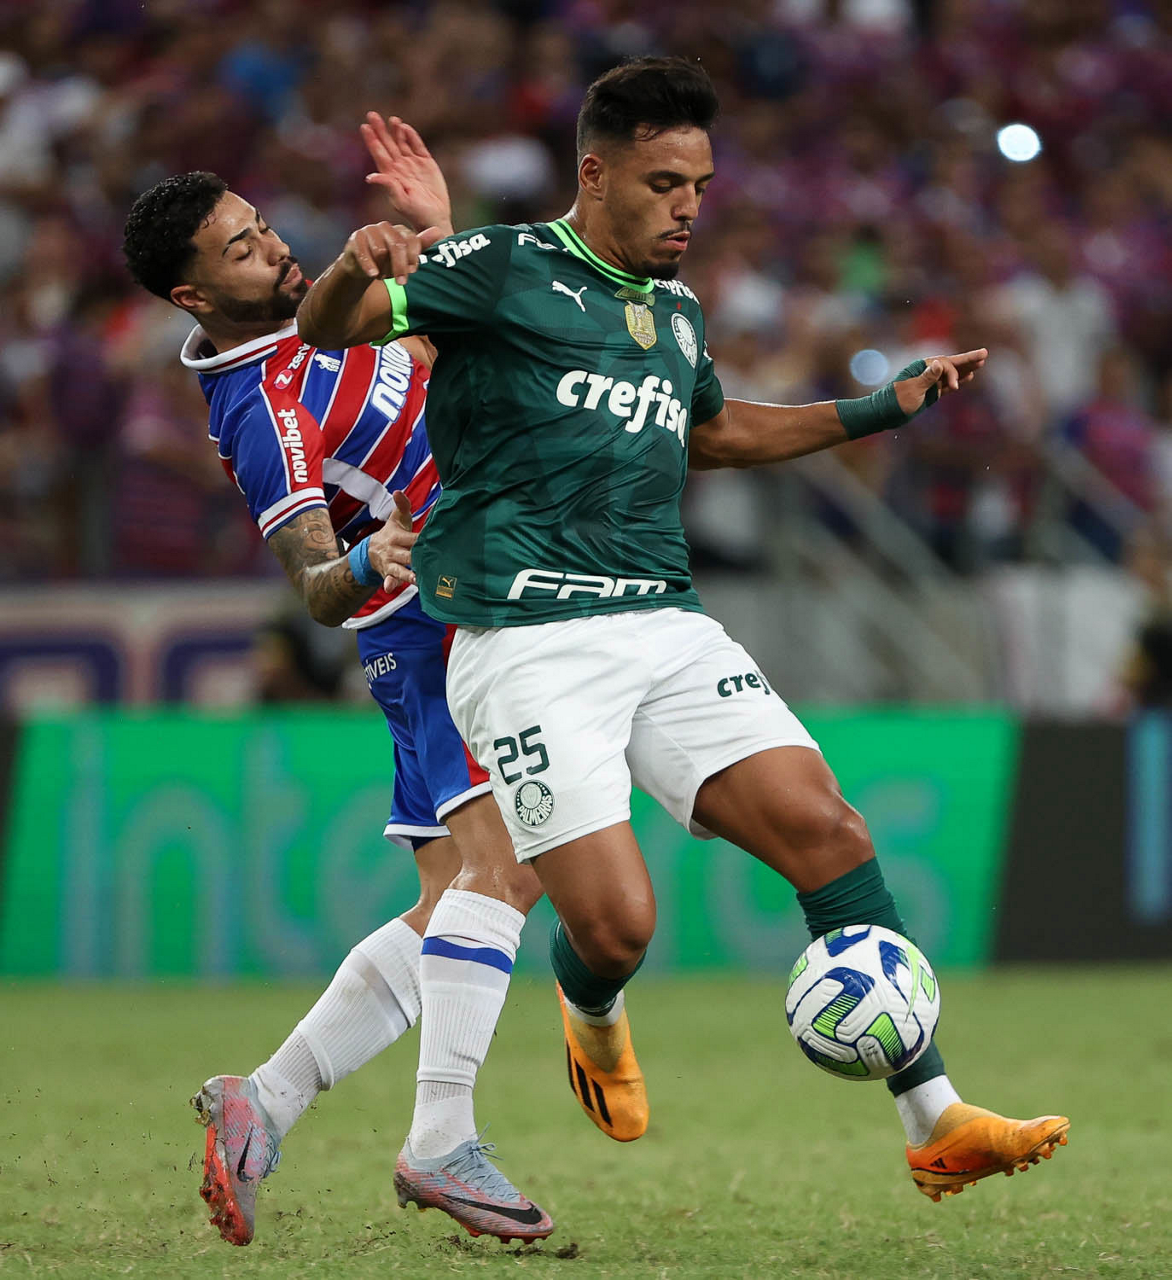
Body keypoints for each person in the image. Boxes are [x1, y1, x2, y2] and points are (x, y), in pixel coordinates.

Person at [297, 57, 1070, 1205]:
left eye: (699, 186)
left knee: (828, 831)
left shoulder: (673, 310)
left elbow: (709, 432)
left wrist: (876, 408)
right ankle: (589, 1001)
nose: (686, 209)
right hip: (527, 636)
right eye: (663, 184)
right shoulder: (499, 266)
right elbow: (330, 329)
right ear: (594, 174)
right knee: (615, 927)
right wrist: (347, 268)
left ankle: (934, 1116)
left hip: (662, 618)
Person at [121, 116, 578, 1248]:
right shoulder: (257, 404)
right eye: (239, 250)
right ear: (192, 295)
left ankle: (264, 1101)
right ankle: (441, 1138)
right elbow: (313, 586)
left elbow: (439, 364)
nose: (271, 249)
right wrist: (367, 559)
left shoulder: (322, 317)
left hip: (480, 597)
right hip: (429, 630)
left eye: (261, 226)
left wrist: (439, 231)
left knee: (450, 901)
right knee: (510, 871)